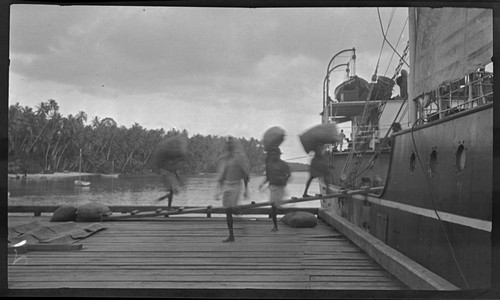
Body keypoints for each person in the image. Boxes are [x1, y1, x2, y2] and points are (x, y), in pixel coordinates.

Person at [216, 136, 250, 243]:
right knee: (228, 210)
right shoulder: (225, 158)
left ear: (234, 145)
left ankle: (239, 215)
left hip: (236, 185)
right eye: (228, 144)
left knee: (232, 207)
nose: (229, 145)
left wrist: (246, 189)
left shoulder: (239, 157)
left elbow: (245, 174)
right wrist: (218, 190)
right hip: (227, 184)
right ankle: (231, 235)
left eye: (231, 143)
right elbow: (222, 175)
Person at [259, 147, 291, 232]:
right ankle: (275, 226)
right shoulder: (269, 165)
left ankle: (284, 212)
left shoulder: (283, 164)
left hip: (280, 187)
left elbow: (289, 174)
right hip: (272, 187)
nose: (274, 156)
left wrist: (284, 181)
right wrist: (262, 184)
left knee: (276, 205)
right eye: (272, 155)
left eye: (275, 154)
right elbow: (268, 177)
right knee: (273, 206)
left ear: (279, 155)